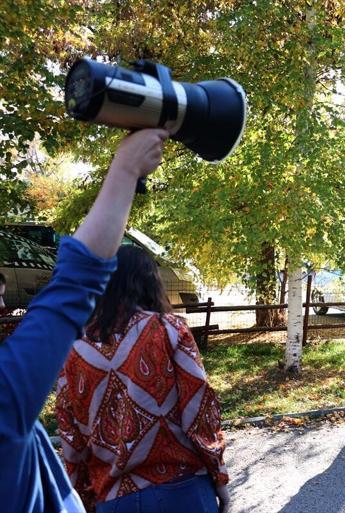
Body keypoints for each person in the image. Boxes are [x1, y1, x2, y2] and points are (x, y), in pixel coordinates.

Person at [0, 129, 169, 513]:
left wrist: (83, 486)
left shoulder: (79, 347)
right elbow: (76, 281)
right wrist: (126, 169)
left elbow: (68, 421)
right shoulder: (5, 394)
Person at [55, 245, 230, 513]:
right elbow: (200, 413)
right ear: (150, 282)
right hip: (182, 491)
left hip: (114, 498)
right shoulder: (170, 330)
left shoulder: (73, 349)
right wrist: (219, 478)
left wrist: (83, 497)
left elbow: (71, 436)